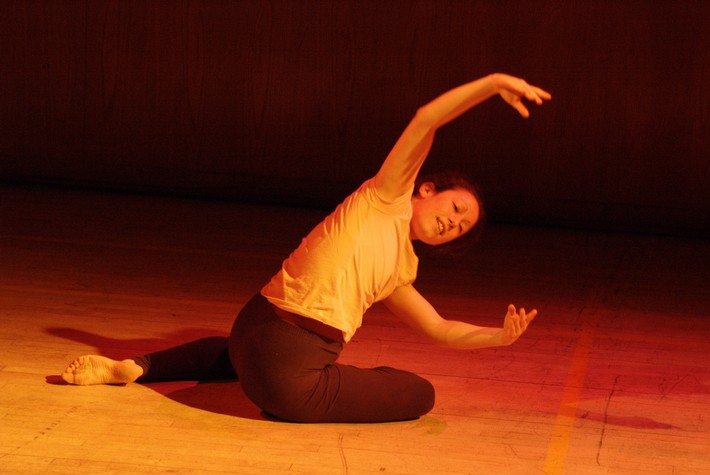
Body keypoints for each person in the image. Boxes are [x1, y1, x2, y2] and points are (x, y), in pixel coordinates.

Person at [61, 73, 550, 423]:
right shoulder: (387, 197)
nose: (453, 222)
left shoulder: (401, 269)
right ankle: (296, 377)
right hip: (286, 382)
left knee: (233, 354)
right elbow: (427, 120)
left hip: (251, 331)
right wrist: (491, 84)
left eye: (461, 227)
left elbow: (439, 328)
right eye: (456, 207)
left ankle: (137, 367)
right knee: (420, 393)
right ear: (426, 189)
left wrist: (498, 338)